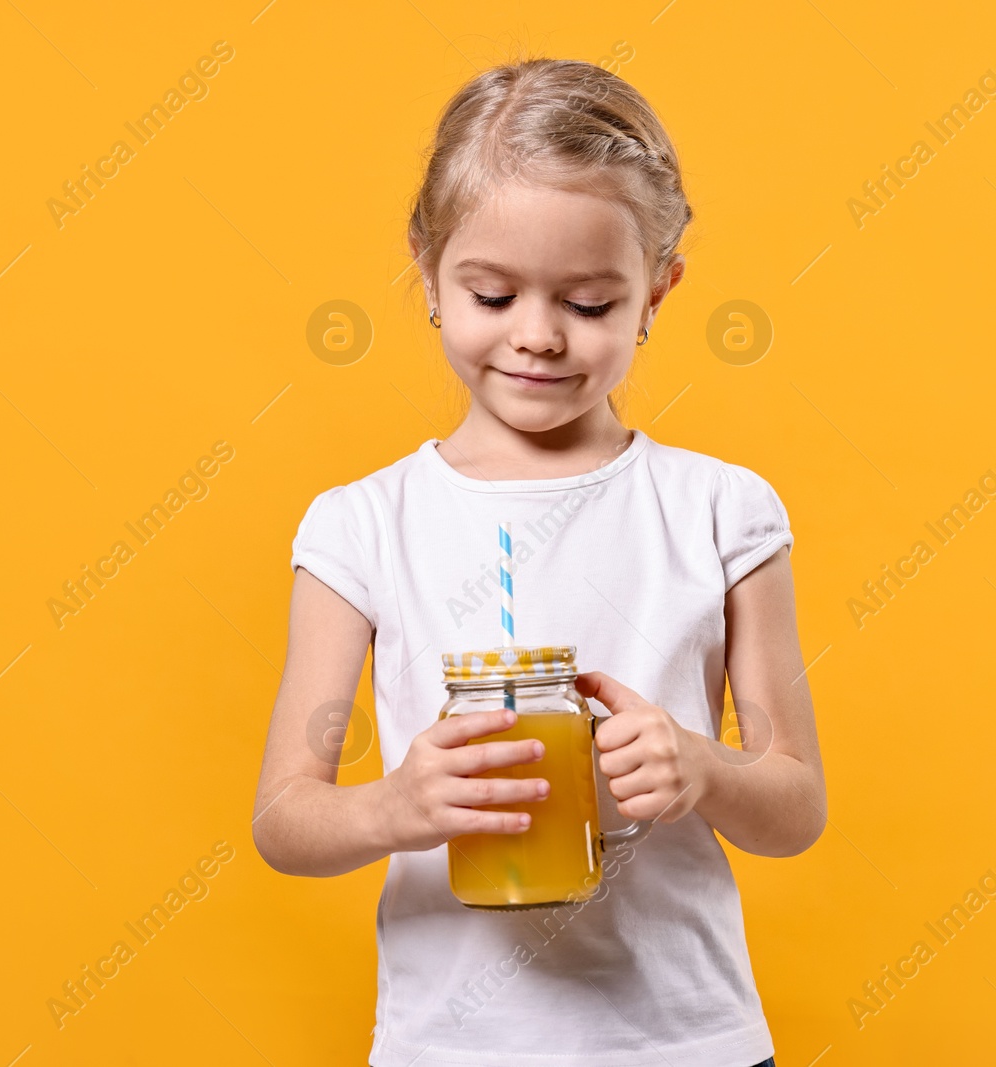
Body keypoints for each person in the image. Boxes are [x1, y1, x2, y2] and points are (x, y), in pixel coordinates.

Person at [252, 54, 825, 1067]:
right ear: (428, 271)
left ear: (658, 289)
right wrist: (396, 803)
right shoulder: (359, 527)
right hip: (451, 1045)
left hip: (683, 1039)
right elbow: (285, 817)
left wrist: (702, 766)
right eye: (492, 292)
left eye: (590, 304)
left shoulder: (720, 510)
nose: (537, 337)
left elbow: (793, 806)